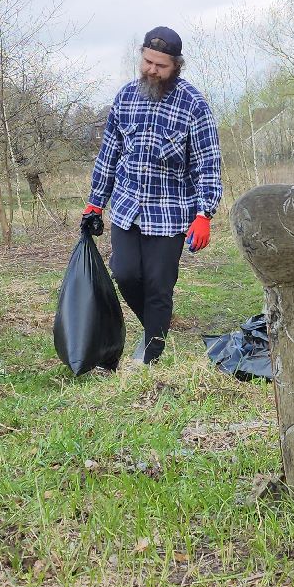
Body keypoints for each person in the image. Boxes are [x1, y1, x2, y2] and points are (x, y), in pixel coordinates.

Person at [82, 26, 223, 368]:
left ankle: (150, 354)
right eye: (147, 62)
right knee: (125, 273)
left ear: (176, 66)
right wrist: (95, 201)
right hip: (128, 207)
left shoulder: (194, 105)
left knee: (159, 286)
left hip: (171, 212)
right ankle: (155, 331)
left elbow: (208, 163)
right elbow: (110, 153)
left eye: (161, 66)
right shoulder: (125, 97)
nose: (152, 70)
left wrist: (204, 213)